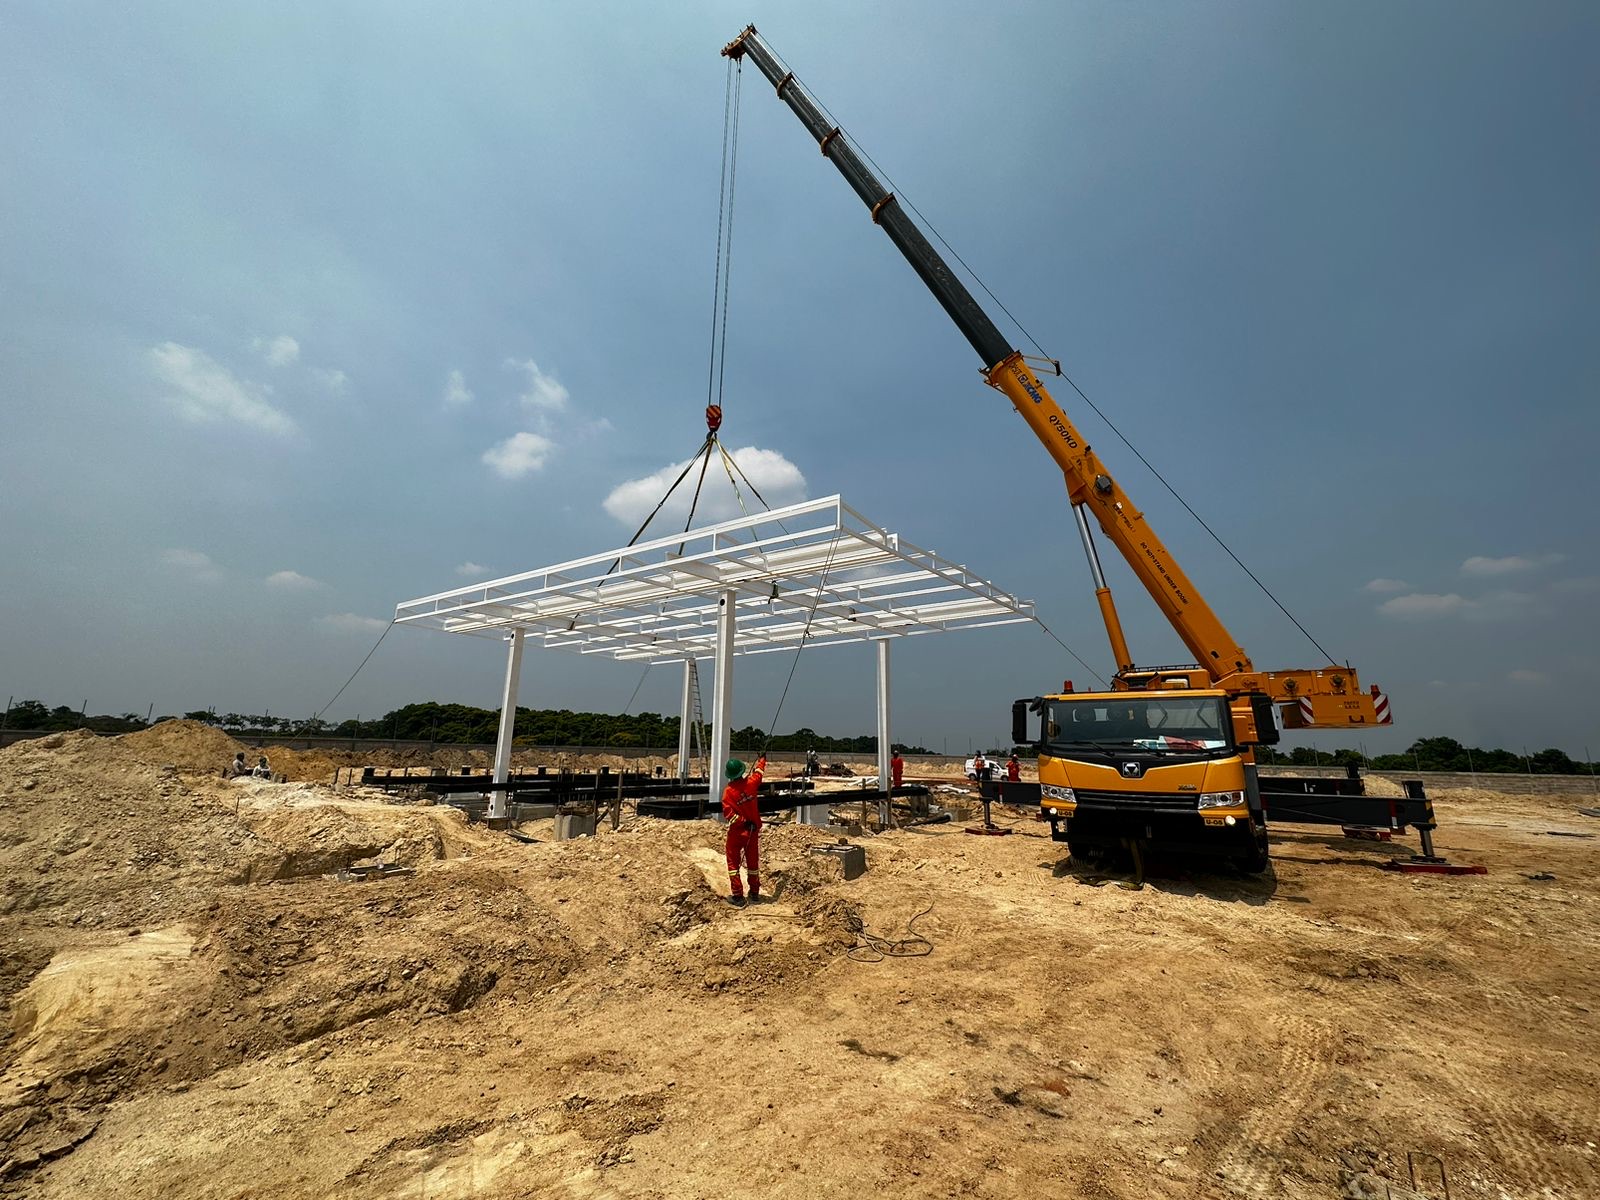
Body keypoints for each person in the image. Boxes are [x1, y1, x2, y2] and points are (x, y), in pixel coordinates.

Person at [722, 755, 767, 906]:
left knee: (733, 864)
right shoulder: (751, 783)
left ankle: (738, 896)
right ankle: (754, 892)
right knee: (753, 863)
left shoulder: (728, 792)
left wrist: (742, 822)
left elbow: (729, 815)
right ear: (741, 771)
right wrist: (762, 759)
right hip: (752, 831)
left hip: (737, 833)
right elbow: (759, 772)